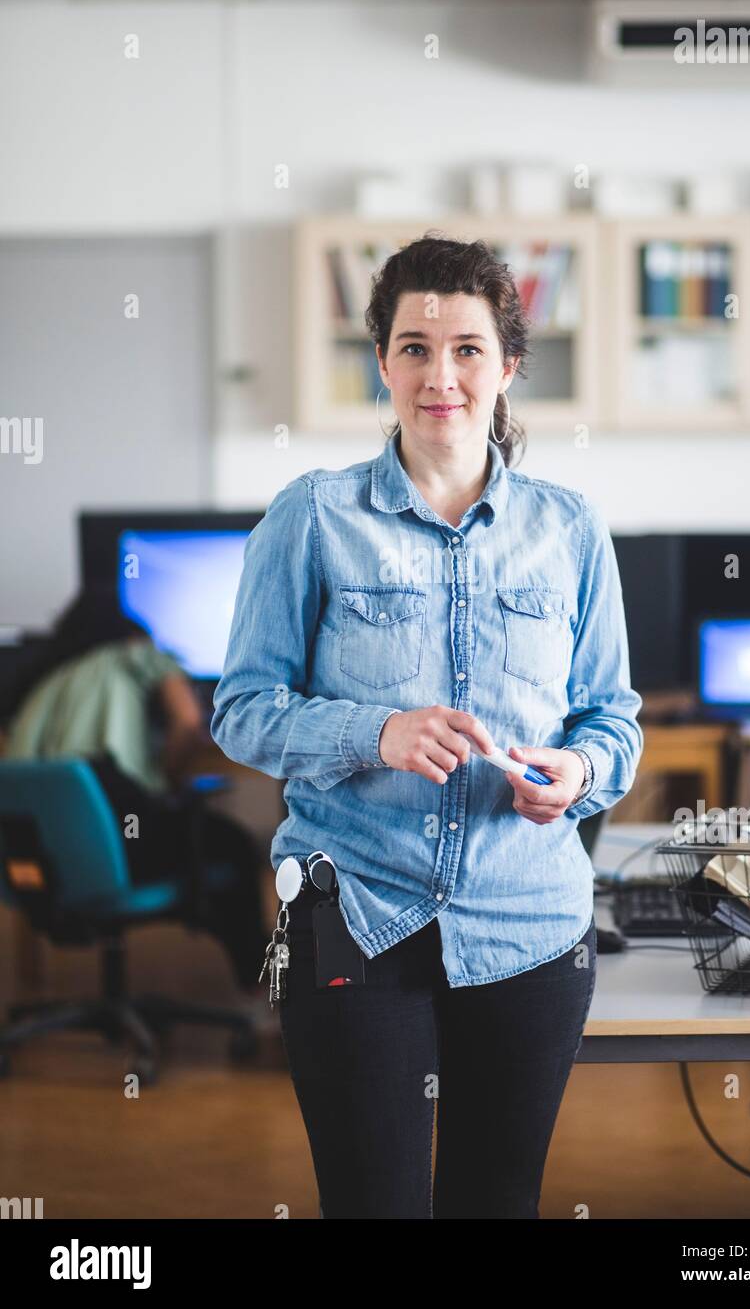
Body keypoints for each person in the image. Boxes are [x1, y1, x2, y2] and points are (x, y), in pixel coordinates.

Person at [211, 232, 644, 1218]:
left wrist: (577, 773)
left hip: (530, 927)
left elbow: (609, 716)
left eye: (464, 349)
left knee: (496, 1202)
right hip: (358, 915)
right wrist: (377, 733)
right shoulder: (311, 519)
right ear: (381, 362)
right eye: (412, 346)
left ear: (507, 367)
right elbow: (241, 710)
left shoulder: (569, 530)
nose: (437, 374)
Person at [1, 582, 270, 1007]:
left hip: (40, 860)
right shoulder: (135, 653)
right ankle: (260, 985)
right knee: (231, 844)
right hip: (121, 837)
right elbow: (187, 722)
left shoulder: (40, 684)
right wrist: (168, 776)